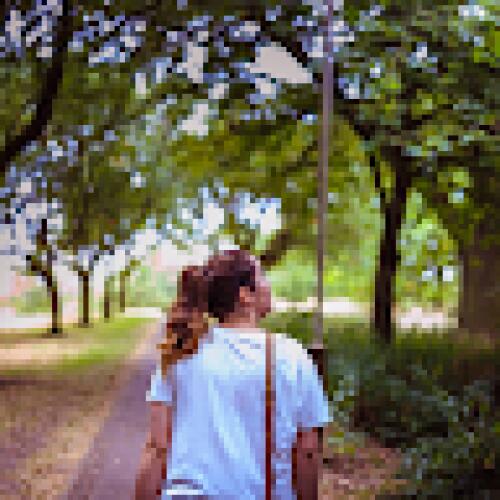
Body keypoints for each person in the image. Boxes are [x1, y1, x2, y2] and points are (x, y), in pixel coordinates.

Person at [135, 249, 331, 499]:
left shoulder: (181, 351)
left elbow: (157, 447)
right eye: (262, 277)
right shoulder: (291, 357)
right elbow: (307, 450)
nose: (268, 285)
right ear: (245, 295)